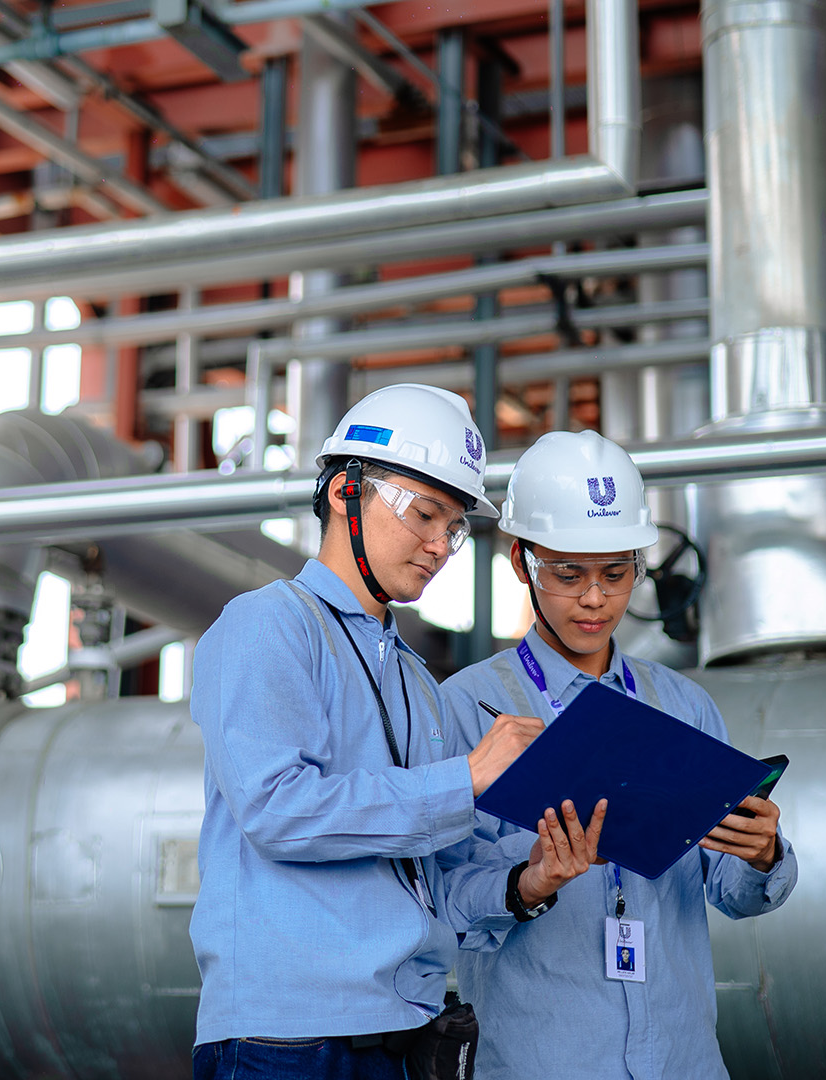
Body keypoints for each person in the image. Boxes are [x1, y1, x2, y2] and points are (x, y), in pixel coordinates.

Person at [189, 384, 604, 1080]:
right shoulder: (268, 625)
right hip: (284, 1039)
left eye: (456, 526)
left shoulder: (416, 683)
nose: (441, 545)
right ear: (347, 492)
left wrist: (524, 886)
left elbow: (431, 881)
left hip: (402, 1031)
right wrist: (466, 779)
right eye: (426, 514)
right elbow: (277, 809)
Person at [437, 429, 798, 1080]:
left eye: (615, 572)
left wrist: (762, 851)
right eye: (568, 574)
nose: (596, 598)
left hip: (682, 1063)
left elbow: (737, 896)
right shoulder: (466, 708)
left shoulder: (683, 706)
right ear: (522, 562)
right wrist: (530, 883)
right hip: (540, 1063)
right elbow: (438, 904)